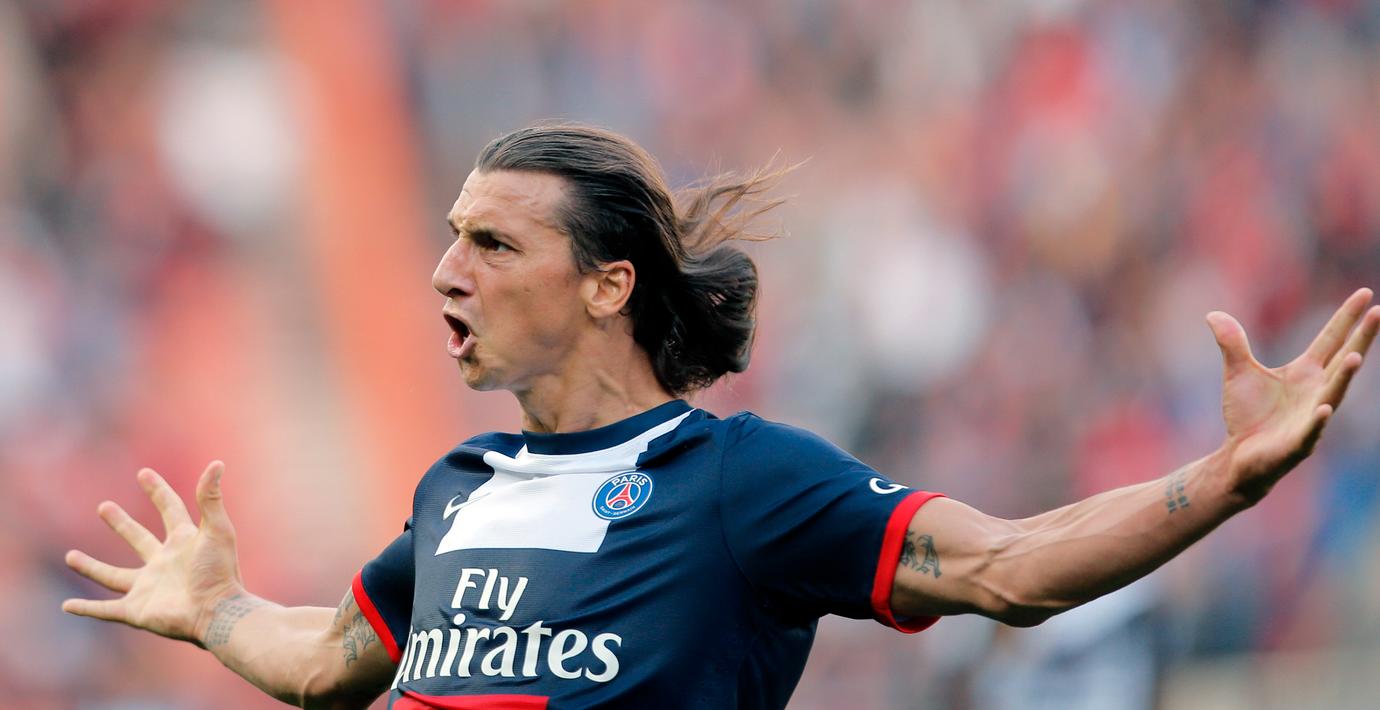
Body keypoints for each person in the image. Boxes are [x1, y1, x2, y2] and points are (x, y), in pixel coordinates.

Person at [61, 124, 1379, 710]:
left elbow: (1008, 566)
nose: (446, 270)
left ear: (607, 284)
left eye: (492, 243)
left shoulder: (739, 480)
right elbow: (336, 660)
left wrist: (1229, 477)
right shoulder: (458, 487)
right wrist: (217, 610)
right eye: (449, 236)